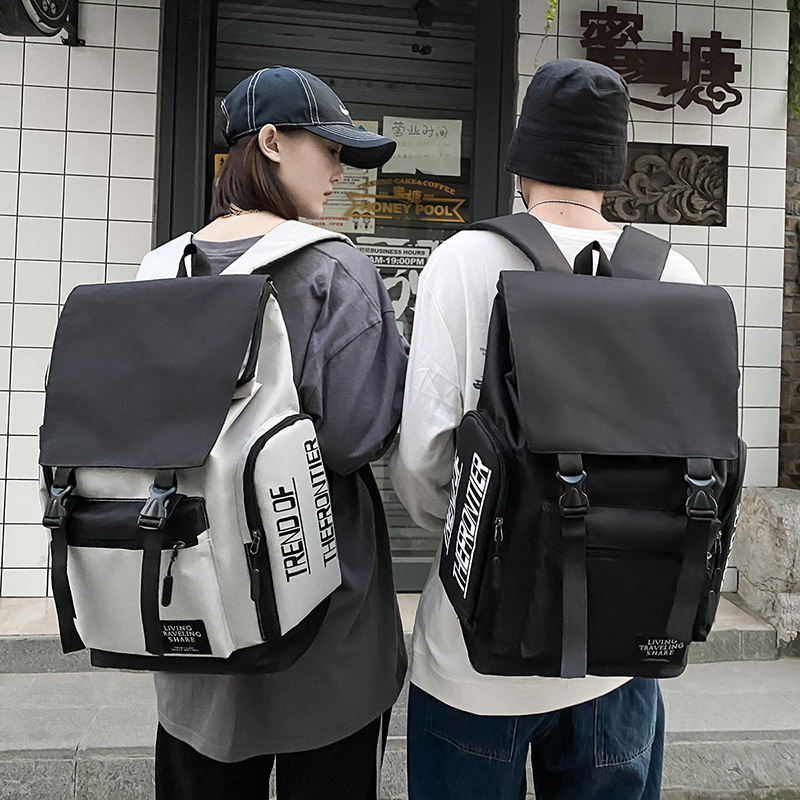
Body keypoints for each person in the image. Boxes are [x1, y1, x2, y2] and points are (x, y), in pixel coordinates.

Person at [390, 59, 704, 800]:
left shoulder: (465, 260)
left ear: (522, 157)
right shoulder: (678, 277)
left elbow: (425, 458)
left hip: (476, 654)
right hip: (621, 651)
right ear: (612, 163)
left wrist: (484, 530)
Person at [146, 67, 408, 800]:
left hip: (193, 607)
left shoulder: (161, 269)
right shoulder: (336, 270)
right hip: (321, 624)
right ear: (270, 142)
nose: (339, 172)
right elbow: (356, 438)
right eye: (329, 150)